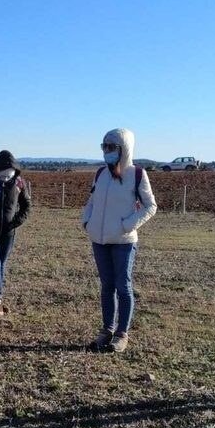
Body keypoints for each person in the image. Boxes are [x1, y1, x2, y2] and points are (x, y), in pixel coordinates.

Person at [81, 128, 157, 353]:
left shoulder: (137, 174)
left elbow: (150, 206)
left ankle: (122, 334)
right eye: (104, 147)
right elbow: (92, 201)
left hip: (124, 241)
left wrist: (128, 224)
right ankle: (107, 330)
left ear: (124, 149)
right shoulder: (100, 174)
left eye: (111, 147)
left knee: (123, 286)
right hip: (99, 239)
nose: (106, 152)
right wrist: (87, 221)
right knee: (107, 286)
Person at [0, 150, 32, 317]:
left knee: (1, 265)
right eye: (2, 174)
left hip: (8, 233)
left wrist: (15, 223)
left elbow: (26, 206)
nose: (5, 177)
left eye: (8, 174)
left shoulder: (18, 183)